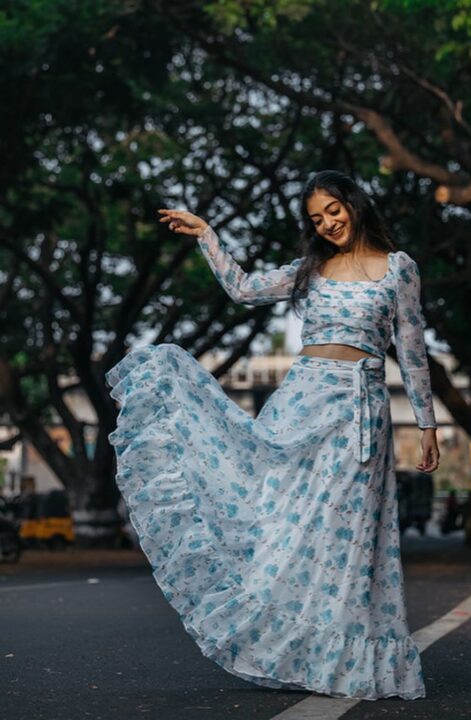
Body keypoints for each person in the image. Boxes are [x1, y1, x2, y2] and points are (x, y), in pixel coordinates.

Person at [105, 169, 440, 701]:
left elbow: (413, 348)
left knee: (345, 538)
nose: (328, 223)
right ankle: (287, 647)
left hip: (358, 413)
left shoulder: (398, 270)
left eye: (334, 210)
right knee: (280, 522)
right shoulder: (311, 269)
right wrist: (207, 235)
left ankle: (340, 657)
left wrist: (426, 423)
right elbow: (241, 290)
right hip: (300, 403)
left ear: (354, 205)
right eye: (316, 218)